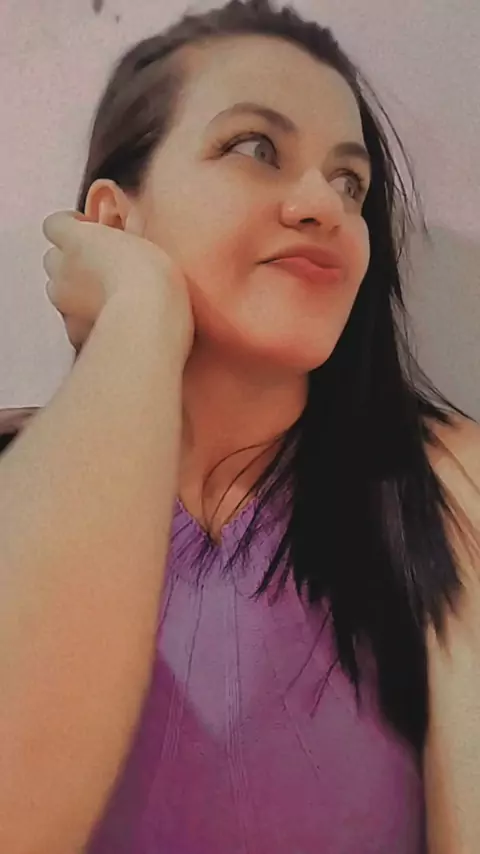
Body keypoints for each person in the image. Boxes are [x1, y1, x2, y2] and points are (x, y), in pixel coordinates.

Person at [0, 1, 479, 852]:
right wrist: (139, 314)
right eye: (255, 147)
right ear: (112, 220)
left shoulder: (447, 489)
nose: (326, 206)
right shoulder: (19, 478)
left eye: (351, 183)